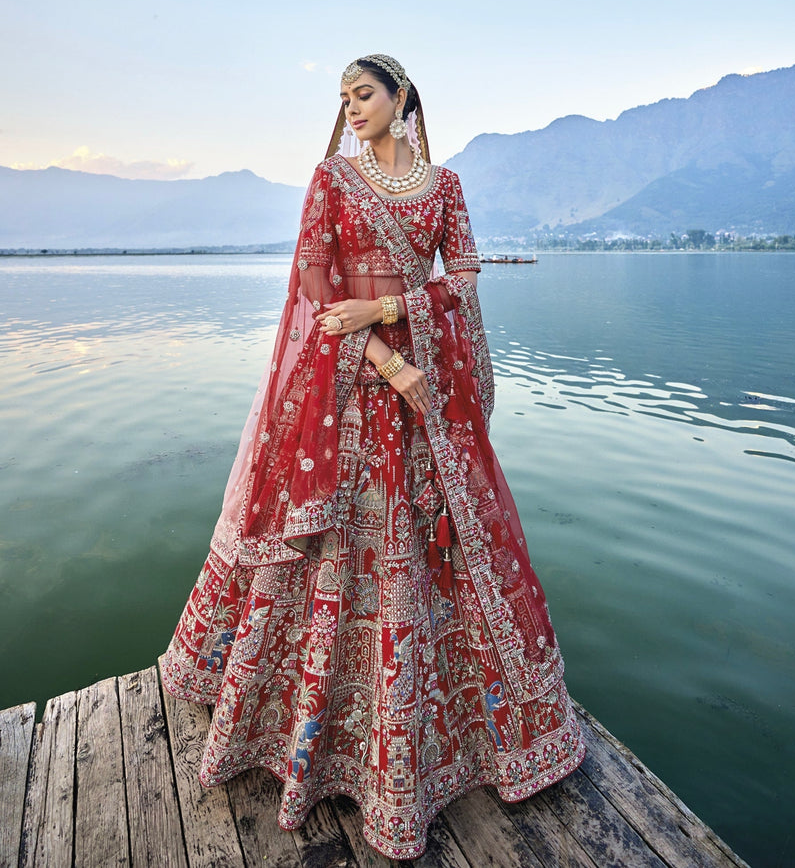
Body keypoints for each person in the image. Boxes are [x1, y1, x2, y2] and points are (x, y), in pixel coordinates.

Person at [162, 53, 585, 859]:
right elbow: (315, 288)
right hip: (354, 395)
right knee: (345, 552)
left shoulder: (445, 186)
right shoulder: (331, 182)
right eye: (343, 98)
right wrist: (388, 360)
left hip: (429, 402)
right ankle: (313, 731)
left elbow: (461, 273)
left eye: (364, 94)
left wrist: (396, 303)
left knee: (439, 548)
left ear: (402, 99)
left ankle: (454, 738)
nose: (351, 108)